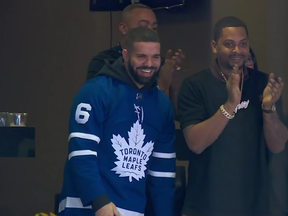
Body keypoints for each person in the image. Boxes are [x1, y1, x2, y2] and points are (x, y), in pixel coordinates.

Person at [58, 26, 176, 216]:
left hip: (132, 209)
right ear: (125, 54)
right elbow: (81, 152)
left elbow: (162, 172)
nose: (149, 63)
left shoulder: (163, 105)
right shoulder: (96, 91)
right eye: (141, 56)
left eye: (155, 57)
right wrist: (99, 201)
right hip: (84, 208)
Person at [177, 16, 288, 216]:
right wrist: (230, 104)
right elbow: (195, 143)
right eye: (229, 44)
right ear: (214, 46)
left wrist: (268, 108)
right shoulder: (195, 85)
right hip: (206, 205)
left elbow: (278, 145)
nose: (237, 50)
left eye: (243, 44)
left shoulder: (264, 84)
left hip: (255, 204)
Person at [87, 3, 185, 112]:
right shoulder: (103, 62)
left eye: (154, 28)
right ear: (123, 28)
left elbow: (175, 114)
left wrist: (173, 86)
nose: (150, 32)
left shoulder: (159, 64)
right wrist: (161, 86)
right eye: (143, 26)